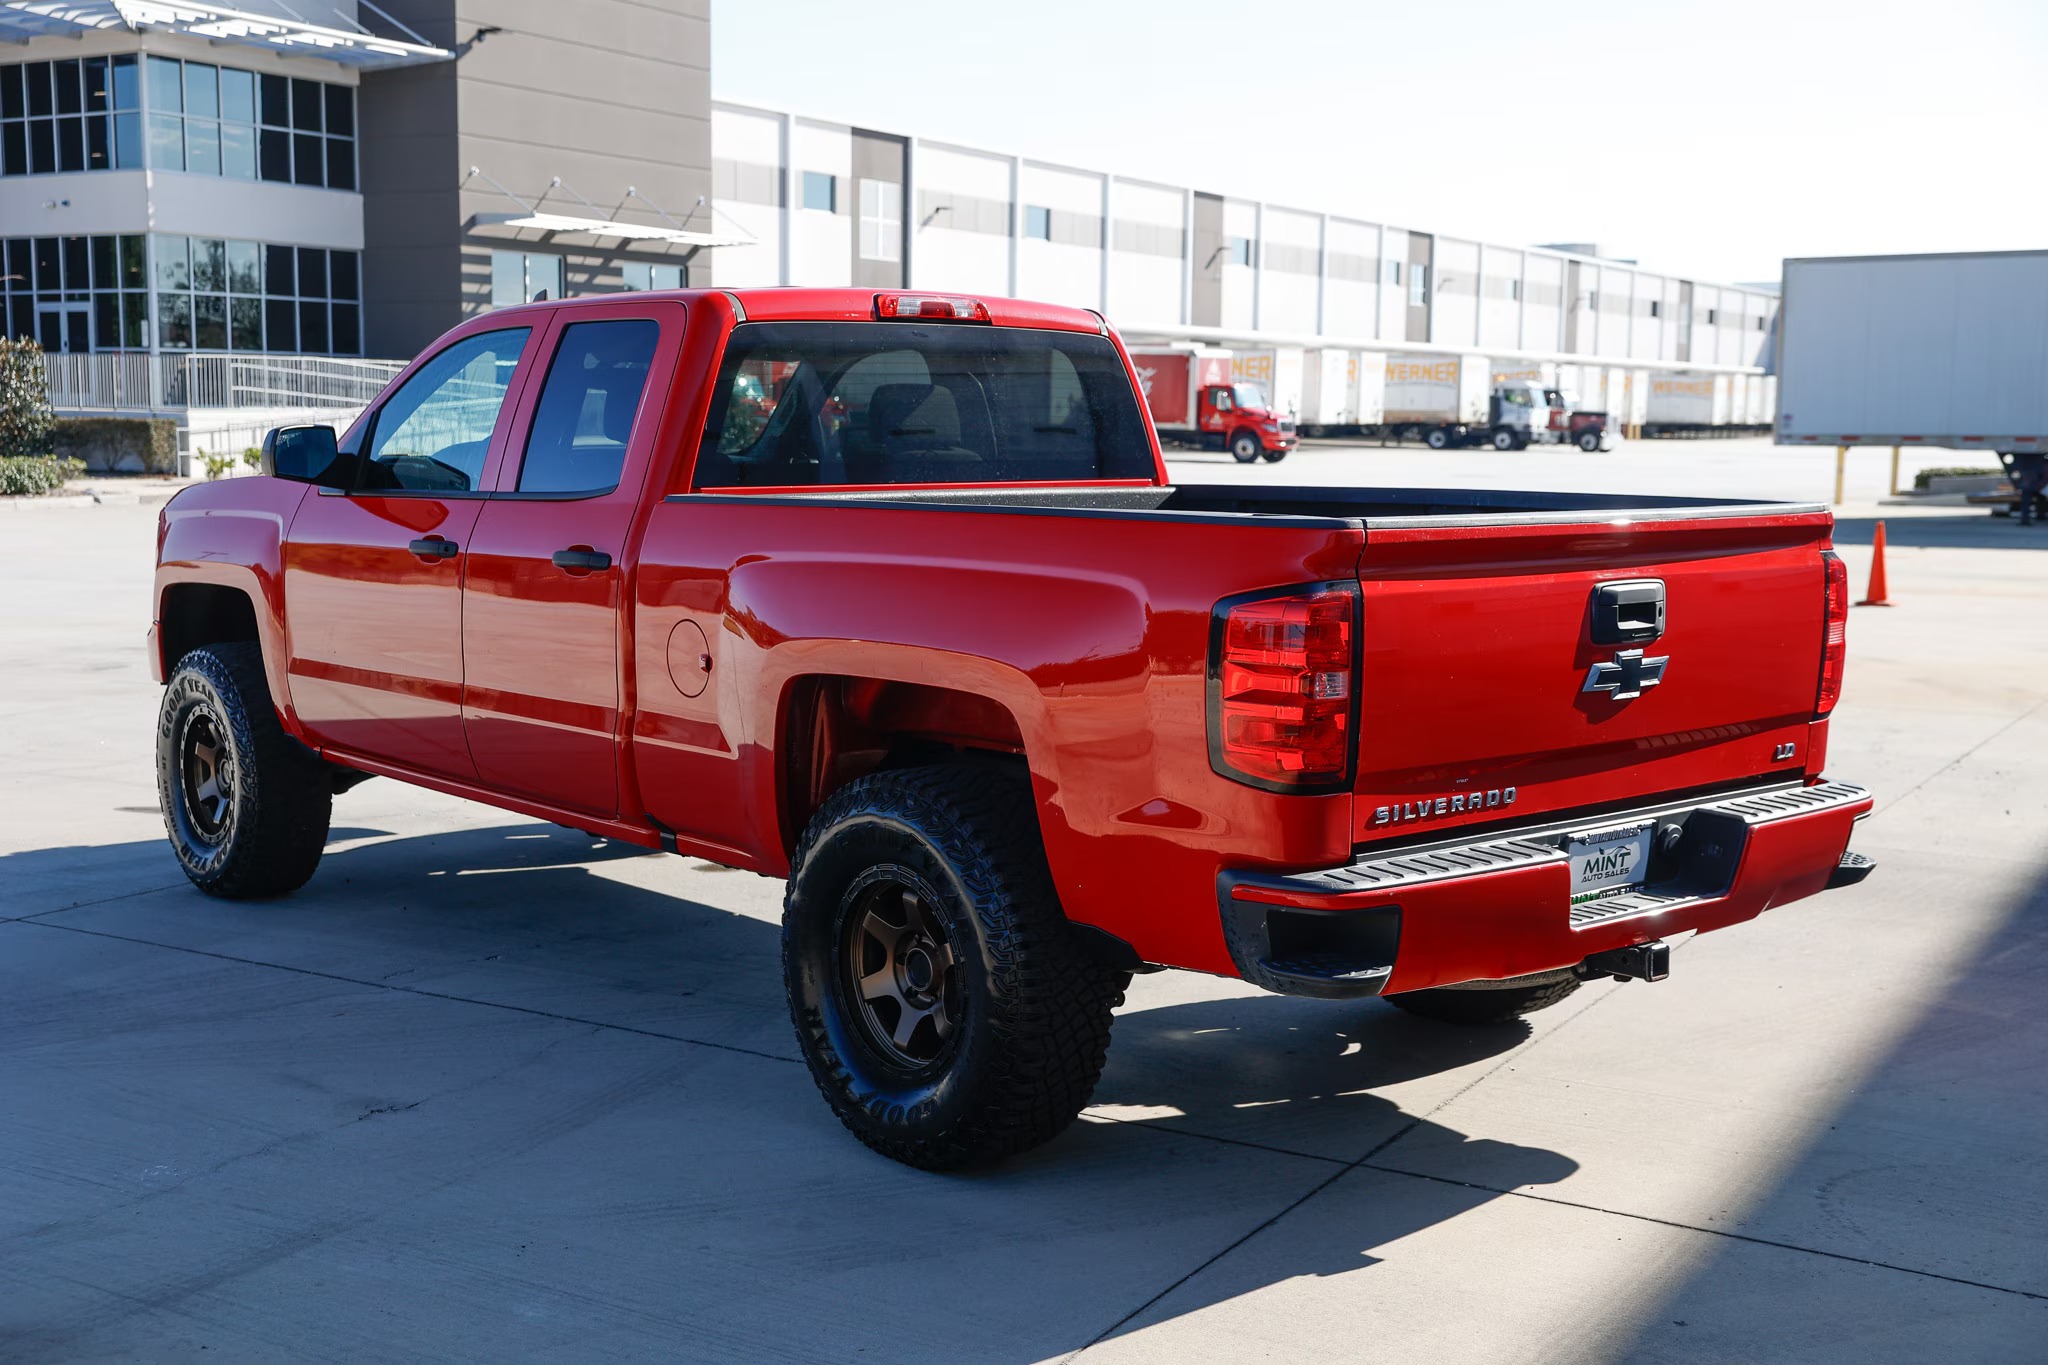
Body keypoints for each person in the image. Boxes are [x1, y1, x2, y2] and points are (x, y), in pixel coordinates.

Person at [2010, 450, 2048, 527]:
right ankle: (2038, 516)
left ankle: (2027, 518)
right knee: (2038, 499)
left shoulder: (2024, 459)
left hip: (2031, 484)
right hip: (2036, 484)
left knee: (2027, 500)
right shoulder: (2041, 461)